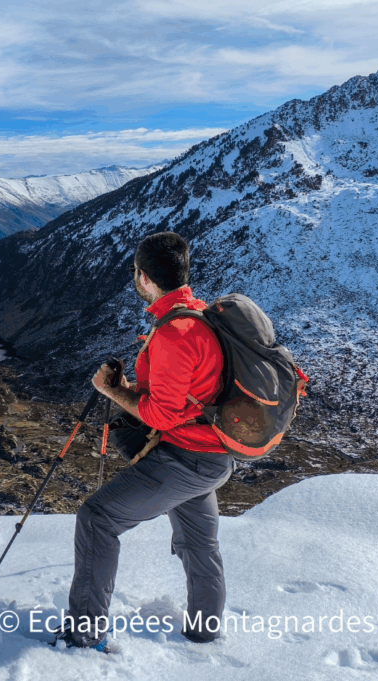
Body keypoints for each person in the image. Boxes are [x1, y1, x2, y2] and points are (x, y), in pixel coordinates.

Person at [57, 231, 234, 651]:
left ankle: (82, 637)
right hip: (213, 455)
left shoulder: (175, 332)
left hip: (186, 458)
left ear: (143, 277)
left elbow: (163, 414)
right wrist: (130, 386)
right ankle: (204, 635)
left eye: (136, 273)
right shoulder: (199, 315)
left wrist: (113, 393)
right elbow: (185, 395)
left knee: (97, 519)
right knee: (198, 543)